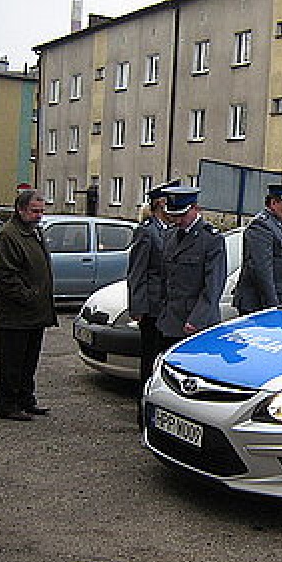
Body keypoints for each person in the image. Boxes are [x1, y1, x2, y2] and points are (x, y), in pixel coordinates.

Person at [0, 188, 57, 421]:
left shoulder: (34, 232)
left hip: (35, 313)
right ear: (20, 210)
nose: (39, 215)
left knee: (29, 361)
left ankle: (26, 400)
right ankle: (7, 405)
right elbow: (6, 276)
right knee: (12, 362)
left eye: (41, 211)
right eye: (34, 211)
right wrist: (29, 296)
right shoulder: (9, 236)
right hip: (16, 314)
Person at [127, 180, 175, 427]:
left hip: (168, 308)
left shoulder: (170, 229)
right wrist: (138, 307)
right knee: (149, 361)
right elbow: (137, 272)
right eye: (170, 202)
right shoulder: (147, 232)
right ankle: (143, 412)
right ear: (160, 204)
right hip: (152, 308)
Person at [156, 186, 227, 351]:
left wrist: (196, 320)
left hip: (195, 325)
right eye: (174, 216)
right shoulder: (170, 235)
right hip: (168, 322)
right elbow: (165, 278)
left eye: (182, 215)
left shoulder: (211, 239)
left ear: (195, 209)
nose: (178, 220)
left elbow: (213, 287)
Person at [232, 183, 282, 314]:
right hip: (259, 303)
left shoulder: (279, 225)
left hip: (280, 299)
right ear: (274, 203)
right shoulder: (261, 226)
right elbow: (262, 270)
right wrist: (272, 306)